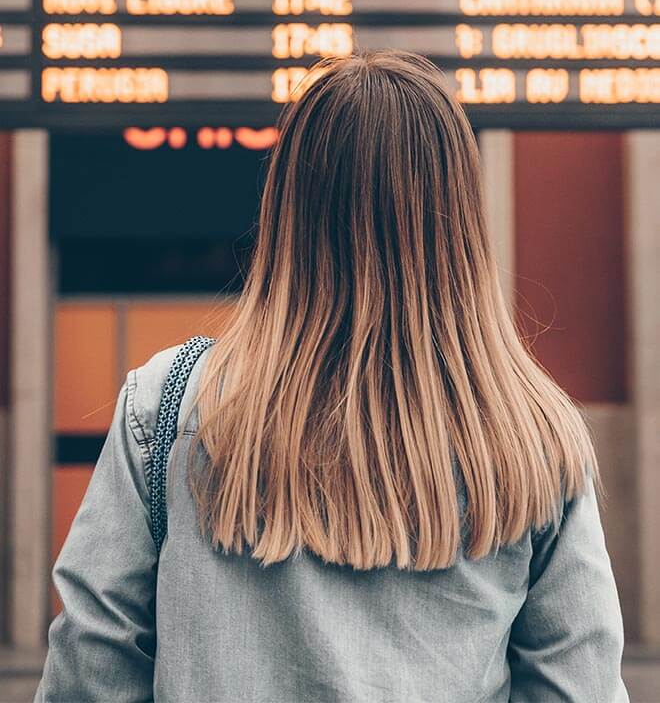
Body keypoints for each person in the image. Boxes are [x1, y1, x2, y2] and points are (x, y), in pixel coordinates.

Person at [35, 50, 628, 703]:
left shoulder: (167, 405)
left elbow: (89, 674)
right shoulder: (534, 438)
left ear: (287, 203)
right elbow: (579, 686)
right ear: (460, 213)